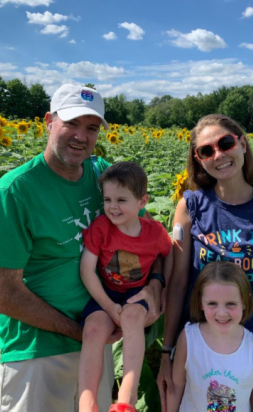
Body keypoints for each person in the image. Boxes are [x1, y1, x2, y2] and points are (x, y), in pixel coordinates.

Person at [0, 84, 165, 412]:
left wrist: (154, 285)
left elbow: (148, 236)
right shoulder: (16, 191)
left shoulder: (101, 176)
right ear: (48, 122)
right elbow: (4, 295)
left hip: (97, 340)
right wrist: (82, 331)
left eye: (91, 128)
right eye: (71, 123)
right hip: (39, 352)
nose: (81, 136)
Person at [158, 114, 253, 412]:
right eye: (207, 151)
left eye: (225, 143)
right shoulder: (191, 205)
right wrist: (167, 351)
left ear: (242, 144)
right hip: (197, 351)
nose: (218, 155)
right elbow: (178, 282)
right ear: (198, 159)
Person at [78, 162, 173, 412]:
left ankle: (126, 400)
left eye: (121, 199)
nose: (112, 207)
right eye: (107, 199)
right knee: (94, 329)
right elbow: (87, 270)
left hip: (136, 293)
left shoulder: (154, 232)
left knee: (132, 318)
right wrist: (109, 307)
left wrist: (163, 287)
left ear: (142, 202)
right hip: (105, 293)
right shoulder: (101, 227)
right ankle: (87, 402)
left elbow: (169, 253)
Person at [167, 261, 253, 412]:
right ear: (200, 302)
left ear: (245, 302)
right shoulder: (189, 339)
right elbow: (176, 387)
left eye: (230, 304)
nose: (221, 313)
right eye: (212, 303)